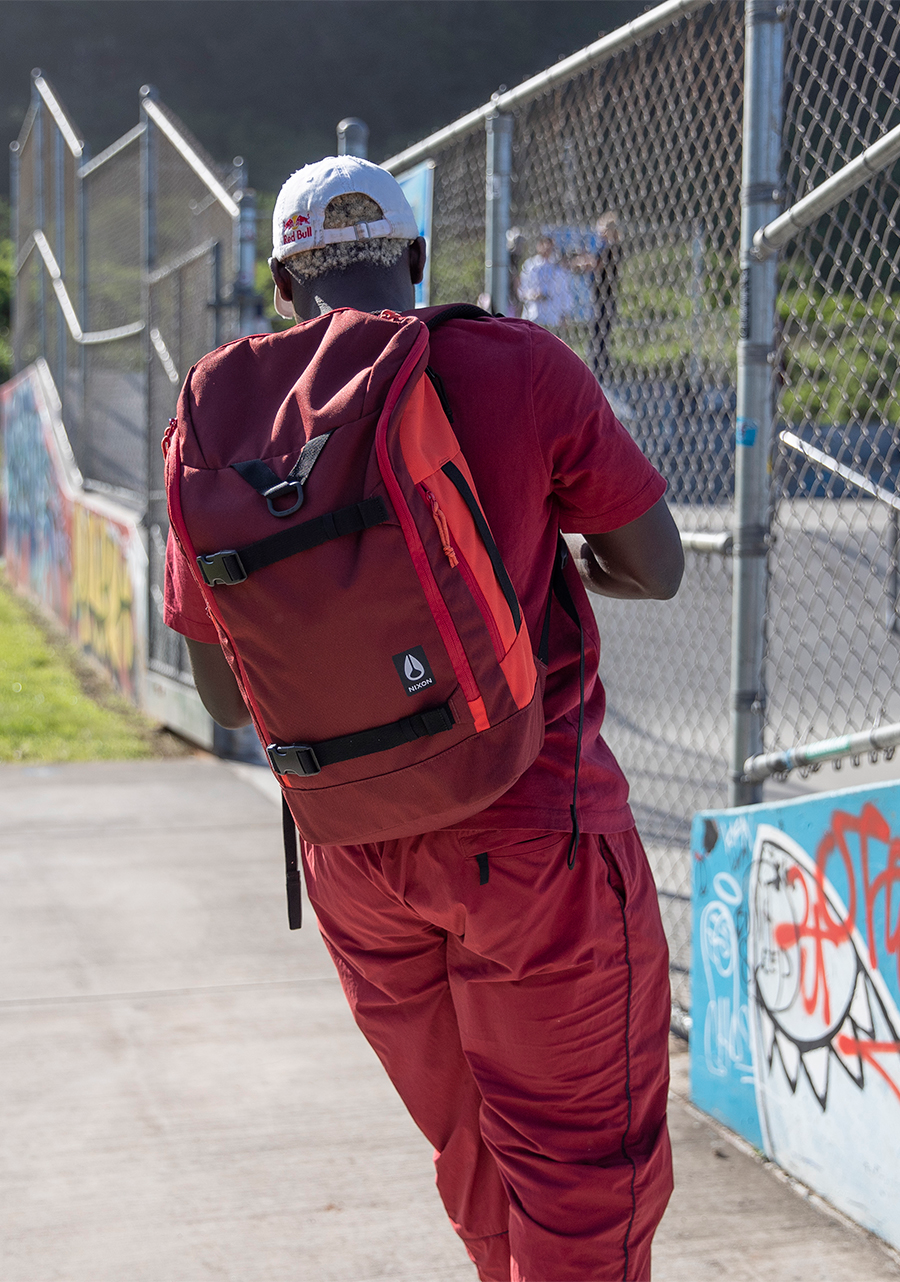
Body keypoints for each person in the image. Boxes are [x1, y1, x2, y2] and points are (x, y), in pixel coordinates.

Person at [164, 156, 684, 1282]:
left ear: (282, 278)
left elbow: (217, 691)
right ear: (411, 260)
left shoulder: (216, 404)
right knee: (584, 1173)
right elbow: (660, 564)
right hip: (532, 824)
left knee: (478, 1158)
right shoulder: (513, 363)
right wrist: (563, 559)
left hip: (351, 854)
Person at [571, 213, 622, 384]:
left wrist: (583, 261)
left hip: (605, 296)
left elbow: (597, 264)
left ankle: (599, 373)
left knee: (600, 334)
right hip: (601, 295)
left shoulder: (611, 248)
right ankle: (597, 370)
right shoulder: (606, 247)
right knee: (597, 333)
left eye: (601, 230)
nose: (599, 233)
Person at [516, 235, 574, 332]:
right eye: (544, 244)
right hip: (533, 314)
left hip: (552, 317)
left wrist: (564, 313)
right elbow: (522, 289)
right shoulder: (530, 265)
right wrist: (531, 294)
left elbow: (564, 292)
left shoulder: (557, 268)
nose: (547, 248)